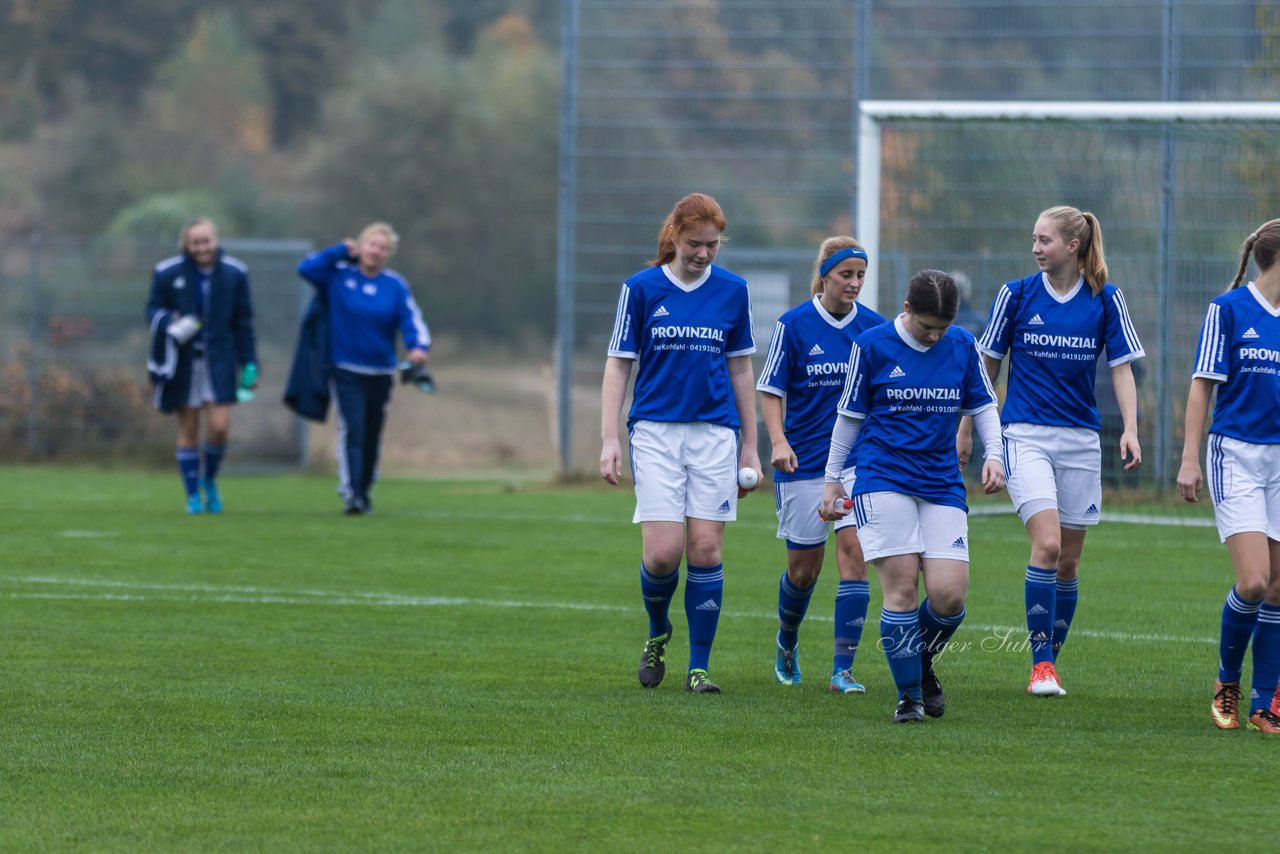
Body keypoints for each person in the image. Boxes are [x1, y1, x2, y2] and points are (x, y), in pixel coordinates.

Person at [961, 205, 1144, 698]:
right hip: (1024, 436)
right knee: (1047, 547)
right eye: (1034, 238)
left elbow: (1122, 367)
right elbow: (985, 368)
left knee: (1068, 563)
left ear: (1073, 246)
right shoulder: (1015, 294)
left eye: (1044, 240)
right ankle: (1040, 666)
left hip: (1081, 441)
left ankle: (1050, 664)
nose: (1035, 247)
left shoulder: (1105, 298)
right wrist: (966, 428)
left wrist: (1130, 427)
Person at [822, 270, 1005, 723]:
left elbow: (982, 405)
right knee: (902, 587)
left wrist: (996, 455)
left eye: (942, 327)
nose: (935, 335)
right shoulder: (873, 346)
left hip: (942, 482)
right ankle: (909, 697)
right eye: (927, 327)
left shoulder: (962, 344)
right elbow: (849, 417)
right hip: (883, 477)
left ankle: (919, 663)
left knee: (949, 597)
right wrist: (831, 479)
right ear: (906, 309)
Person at [600, 192, 761, 694]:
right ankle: (656, 631)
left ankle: (699, 666)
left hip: (715, 435)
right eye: (695, 244)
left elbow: (740, 367)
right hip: (655, 433)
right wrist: (609, 438)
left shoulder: (734, 291)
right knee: (664, 556)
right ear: (674, 236)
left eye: (712, 245)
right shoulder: (642, 289)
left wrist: (750, 445)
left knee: (707, 549)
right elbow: (618, 364)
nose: (704, 254)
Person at [755, 237, 887, 693]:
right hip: (804, 462)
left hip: (857, 463)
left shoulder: (873, 330)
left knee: (854, 554)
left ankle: (842, 670)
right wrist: (778, 440)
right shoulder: (793, 325)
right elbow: (771, 390)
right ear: (825, 274)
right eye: (845, 274)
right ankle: (787, 639)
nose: (854, 283)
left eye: (860, 275)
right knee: (804, 571)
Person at [1177, 218, 1280, 734]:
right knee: (1255, 581)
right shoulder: (1229, 309)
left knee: (1279, 586)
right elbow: (1202, 386)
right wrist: (1190, 457)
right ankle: (1227, 681)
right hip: (1235, 454)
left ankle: (1267, 703)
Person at [296, 222, 431, 515]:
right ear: (361, 247)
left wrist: (418, 347)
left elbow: (411, 319)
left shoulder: (394, 284)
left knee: (372, 433)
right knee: (352, 428)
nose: (376, 251)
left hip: (381, 371)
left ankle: (365, 487)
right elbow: (305, 269)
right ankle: (352, 492)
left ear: (388, 253)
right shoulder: (338, 275)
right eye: (372, 244)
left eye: (382, 248)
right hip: (345, 368)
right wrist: (337, 252)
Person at [145, 217, 257, 514]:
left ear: (215, 241)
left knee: (219, 427)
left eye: (206, 241)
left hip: (219, 361)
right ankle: (192, 494)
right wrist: (172, 323)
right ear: (187, 244)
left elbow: (244, 321)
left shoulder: (235, 273)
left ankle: (209, 480)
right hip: (182, 363)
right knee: (189, 426)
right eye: (195, 242)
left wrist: (250, 363)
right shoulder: (167, 272)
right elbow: (152, 309)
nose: (202, 247)